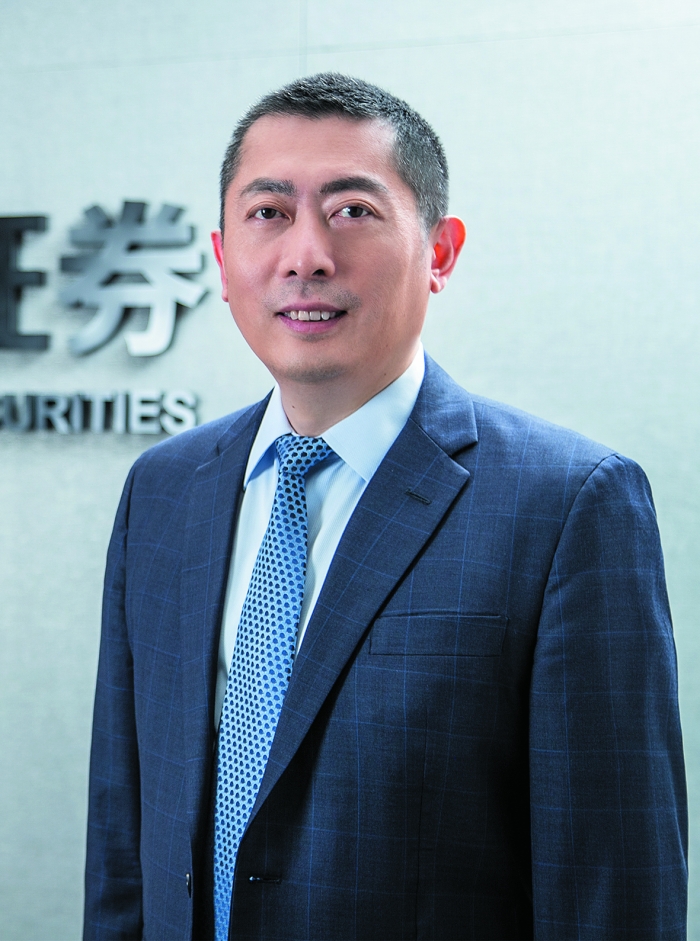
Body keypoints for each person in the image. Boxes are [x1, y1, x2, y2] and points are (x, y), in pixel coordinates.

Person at [83, 73, 687, 941]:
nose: (305, 256)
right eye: (268, 213)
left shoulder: (568, 505)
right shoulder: (163, 489)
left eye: (352, 211)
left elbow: (611, 887)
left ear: (440, 251)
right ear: (220, 258)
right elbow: (122, 846)